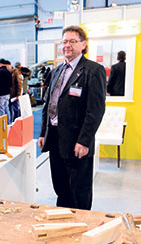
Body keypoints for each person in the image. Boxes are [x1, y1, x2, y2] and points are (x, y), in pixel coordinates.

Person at [38, 26, 106, 210]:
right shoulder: (56, 71)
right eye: (65, 41)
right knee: (61, 188)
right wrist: (43, 132)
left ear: (83, 45)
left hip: (77, 142)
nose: (67, 45)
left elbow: (96, 110)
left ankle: (82, 227)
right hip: (55, 138)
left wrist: (84, 141)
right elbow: (49, 104)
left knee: (79, 192)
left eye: (72, 41)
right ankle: (63, 221)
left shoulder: (93, 71)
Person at [0, 59, 12, 123]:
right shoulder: (8, 72)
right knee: (7, 109)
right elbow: (11, 84)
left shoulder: (0, 72)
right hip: (7, 94)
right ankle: (8, 123)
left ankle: (3, 126)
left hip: (0, 94)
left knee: (1, 111)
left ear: (0, 63)